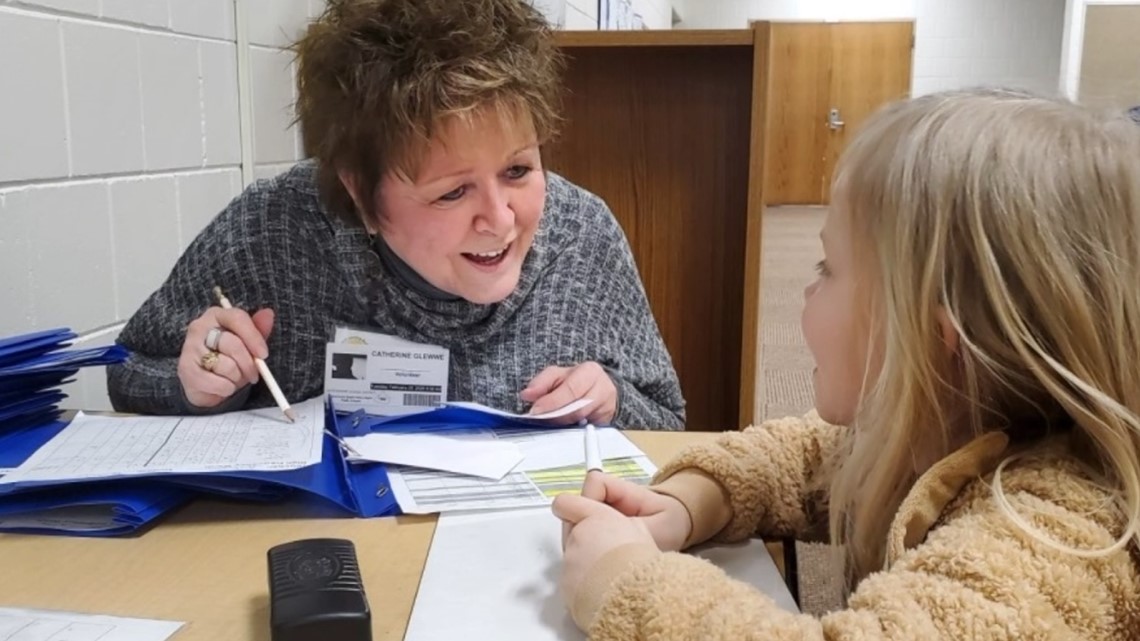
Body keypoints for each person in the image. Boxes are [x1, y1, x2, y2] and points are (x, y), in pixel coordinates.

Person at [554, 89, 1140, 638]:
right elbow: (801, 455)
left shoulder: (1046, 548)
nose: (806, 296)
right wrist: (685, 505)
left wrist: (624, 583)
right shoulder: (937, 429)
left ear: (935, 338)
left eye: (827, 270)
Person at [106, 0, 684, 430]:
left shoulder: (581, 235)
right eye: (452, 193)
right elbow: (127, 372)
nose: (501, 220)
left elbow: (668, 419)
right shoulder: (273, 228)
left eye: (518, 171)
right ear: (362, 195)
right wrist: (193, 384)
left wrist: (612, 399)